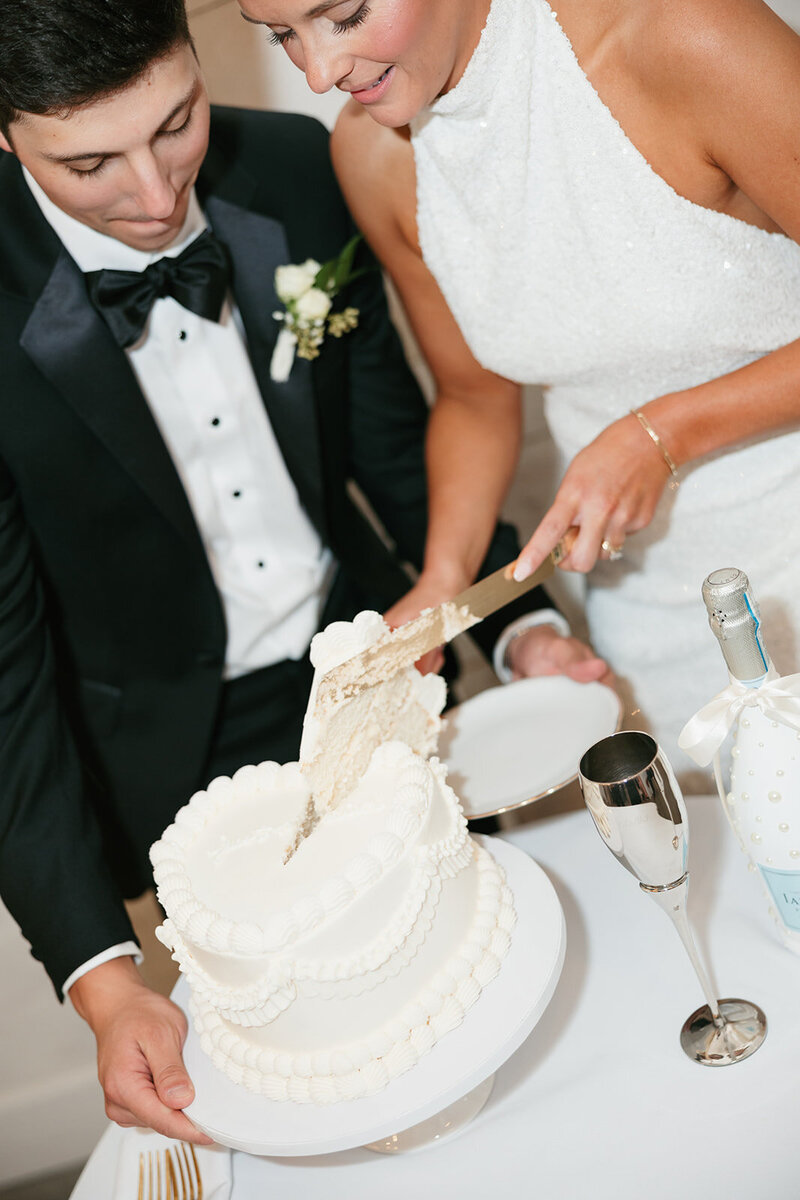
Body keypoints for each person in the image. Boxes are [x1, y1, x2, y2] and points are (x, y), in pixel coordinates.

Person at [0, 0, 610, 1143]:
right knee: (316, 1099)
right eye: (88, 161)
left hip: (374, 656)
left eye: (174, 122)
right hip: (169, 755)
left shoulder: (292, 169)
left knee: (461, 1008)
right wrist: (100, 974)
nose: (153, 192)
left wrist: (510, 618)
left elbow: (396, 444)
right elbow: (6, 680)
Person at [237, 0, 800, 771]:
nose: (318, 70)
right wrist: (444, 577)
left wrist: (665, 435)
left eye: (347, 15)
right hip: (654, 609)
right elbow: (475, 396)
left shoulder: (685, 34)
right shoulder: (371, 154)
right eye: (282, 36)